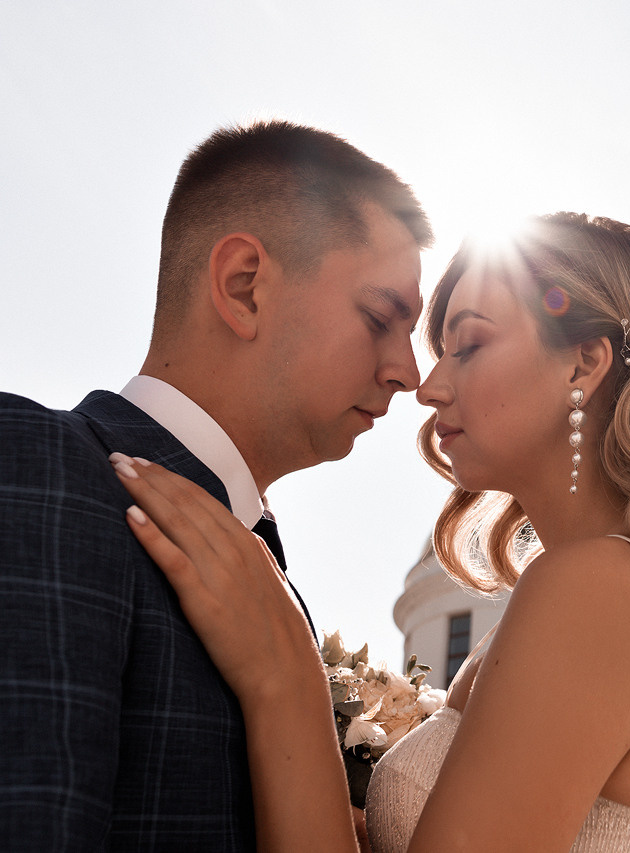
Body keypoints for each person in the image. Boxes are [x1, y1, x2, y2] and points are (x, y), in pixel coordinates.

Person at [111, 212, 630, 852]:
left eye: (469, 345)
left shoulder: (598, 589)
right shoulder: (621, 586)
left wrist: (288, 683)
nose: (429, 387)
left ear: (583, 363)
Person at [0, 119, 432, 850]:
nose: (409, 372)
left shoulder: (271, 580)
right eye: (380, 317)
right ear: (245, 286)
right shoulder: (39, 467)